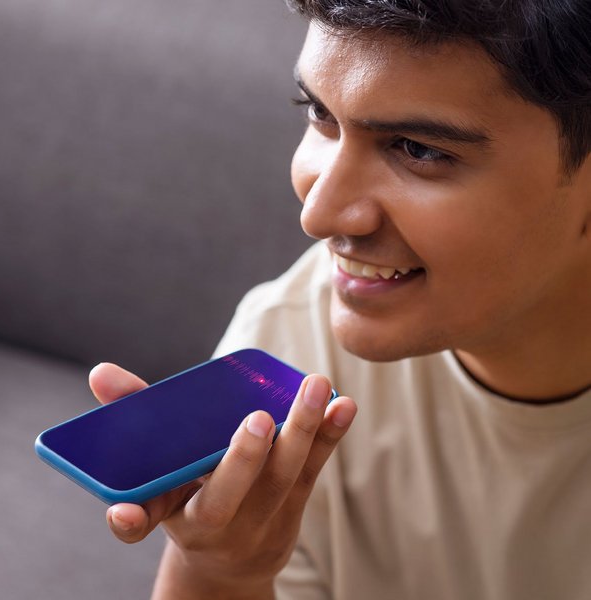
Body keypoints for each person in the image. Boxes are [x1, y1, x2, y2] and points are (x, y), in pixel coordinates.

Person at [88, 0, 591, 598]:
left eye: (418, 150)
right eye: (320, 114)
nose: (318, 213)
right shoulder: (286, 355)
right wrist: (220, 570)